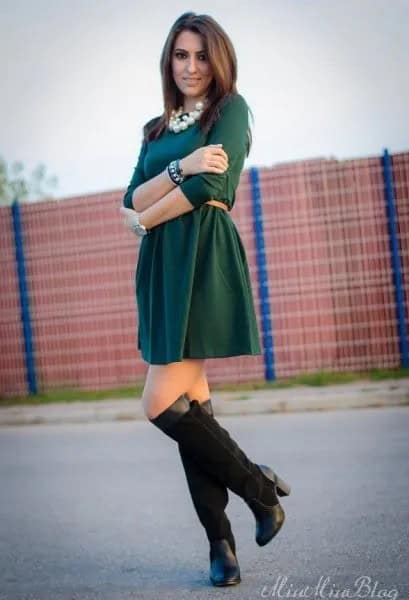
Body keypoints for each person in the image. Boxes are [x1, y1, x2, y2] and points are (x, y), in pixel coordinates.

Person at [120, 11, 291, 587]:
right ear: (168, 62)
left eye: (200, 55)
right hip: (162, 270)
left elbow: (212, 188)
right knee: (192, 407)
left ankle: (259, 490)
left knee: (159, 404)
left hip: (202, 262)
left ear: (216, 60)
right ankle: (223, 547)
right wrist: (181, 165)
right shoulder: (155, 129)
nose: (190, 66)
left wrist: (152, 210)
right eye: (180, 56)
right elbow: (127, 203)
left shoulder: (231, 110)